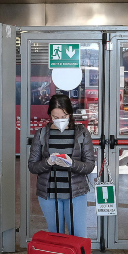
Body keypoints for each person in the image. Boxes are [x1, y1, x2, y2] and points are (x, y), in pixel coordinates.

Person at [27, 94, 96, 237]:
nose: (59, 121)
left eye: (63, 117)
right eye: (55, 117)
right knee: (55, 235)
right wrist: (48, 162)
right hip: (49, 194)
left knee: (78, 235)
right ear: (50, 115)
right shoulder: (41, 134)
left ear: (69, 113)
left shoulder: (81, 133)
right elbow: (32, 166)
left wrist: (72, 163)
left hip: (76, 194)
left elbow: (89, 166)